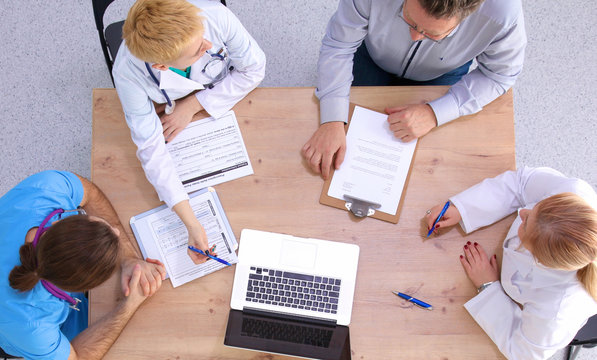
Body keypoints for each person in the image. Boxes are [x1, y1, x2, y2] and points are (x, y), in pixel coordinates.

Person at [113, 0, 266, 263]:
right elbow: (151, 150)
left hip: (217, 107)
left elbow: (254, 69)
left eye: (203, 37)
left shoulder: (215, 17)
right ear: (162, 66)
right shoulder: (128, 75)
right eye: (198, 51)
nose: (209, 46)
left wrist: (193, 105)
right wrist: (192, 224)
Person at [302, 0, 526, 179]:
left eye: (433, 35)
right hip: (370, 56)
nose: (415, 37)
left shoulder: (503, 13)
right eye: (408, 20)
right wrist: (331, 120)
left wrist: (435, 113)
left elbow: (499, 75)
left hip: (441, 73)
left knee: (425, 165)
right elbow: (339, 46)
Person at [425, 167, 597, 359]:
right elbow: (521, 183)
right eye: (535, 207)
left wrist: (488, 288)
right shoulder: (573, 192)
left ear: (539, 260)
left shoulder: (559, 311)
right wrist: (464, 209)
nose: (522, 211)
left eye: (526, 222)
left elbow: (522, 351)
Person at [0, 170, 166, 359]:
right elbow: (77, 357)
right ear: (81, 288)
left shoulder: (48, 187)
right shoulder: (34, 327)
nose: (117, 232)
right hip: (12, 333)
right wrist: (128, 306)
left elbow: (91, 193)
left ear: (56, 225)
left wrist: (129, 257)